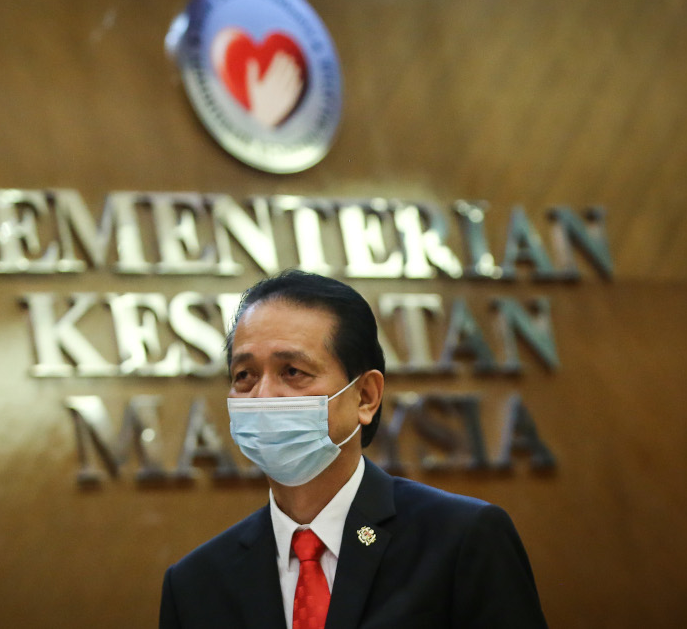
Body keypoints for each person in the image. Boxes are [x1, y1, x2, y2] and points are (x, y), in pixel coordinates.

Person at [159, 270, 547, 629]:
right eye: (244, 375)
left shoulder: (460, 541)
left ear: (365, 396)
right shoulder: (195, 584)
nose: (263, 396)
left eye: (292, 371)